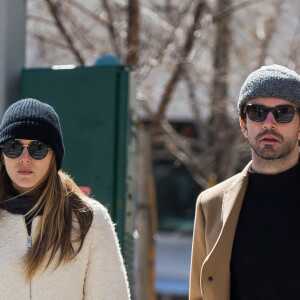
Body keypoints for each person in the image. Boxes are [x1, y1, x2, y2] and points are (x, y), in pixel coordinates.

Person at [0, 98, 130, 299]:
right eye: (13, 147)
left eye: (38, 148)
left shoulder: (90, 219)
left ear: (54, 156)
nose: (24, 158)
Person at [189, 64, 300, 300]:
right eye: (257, 112)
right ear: (243, 125)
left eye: (284, 113)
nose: (269, 123)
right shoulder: (211, 204)